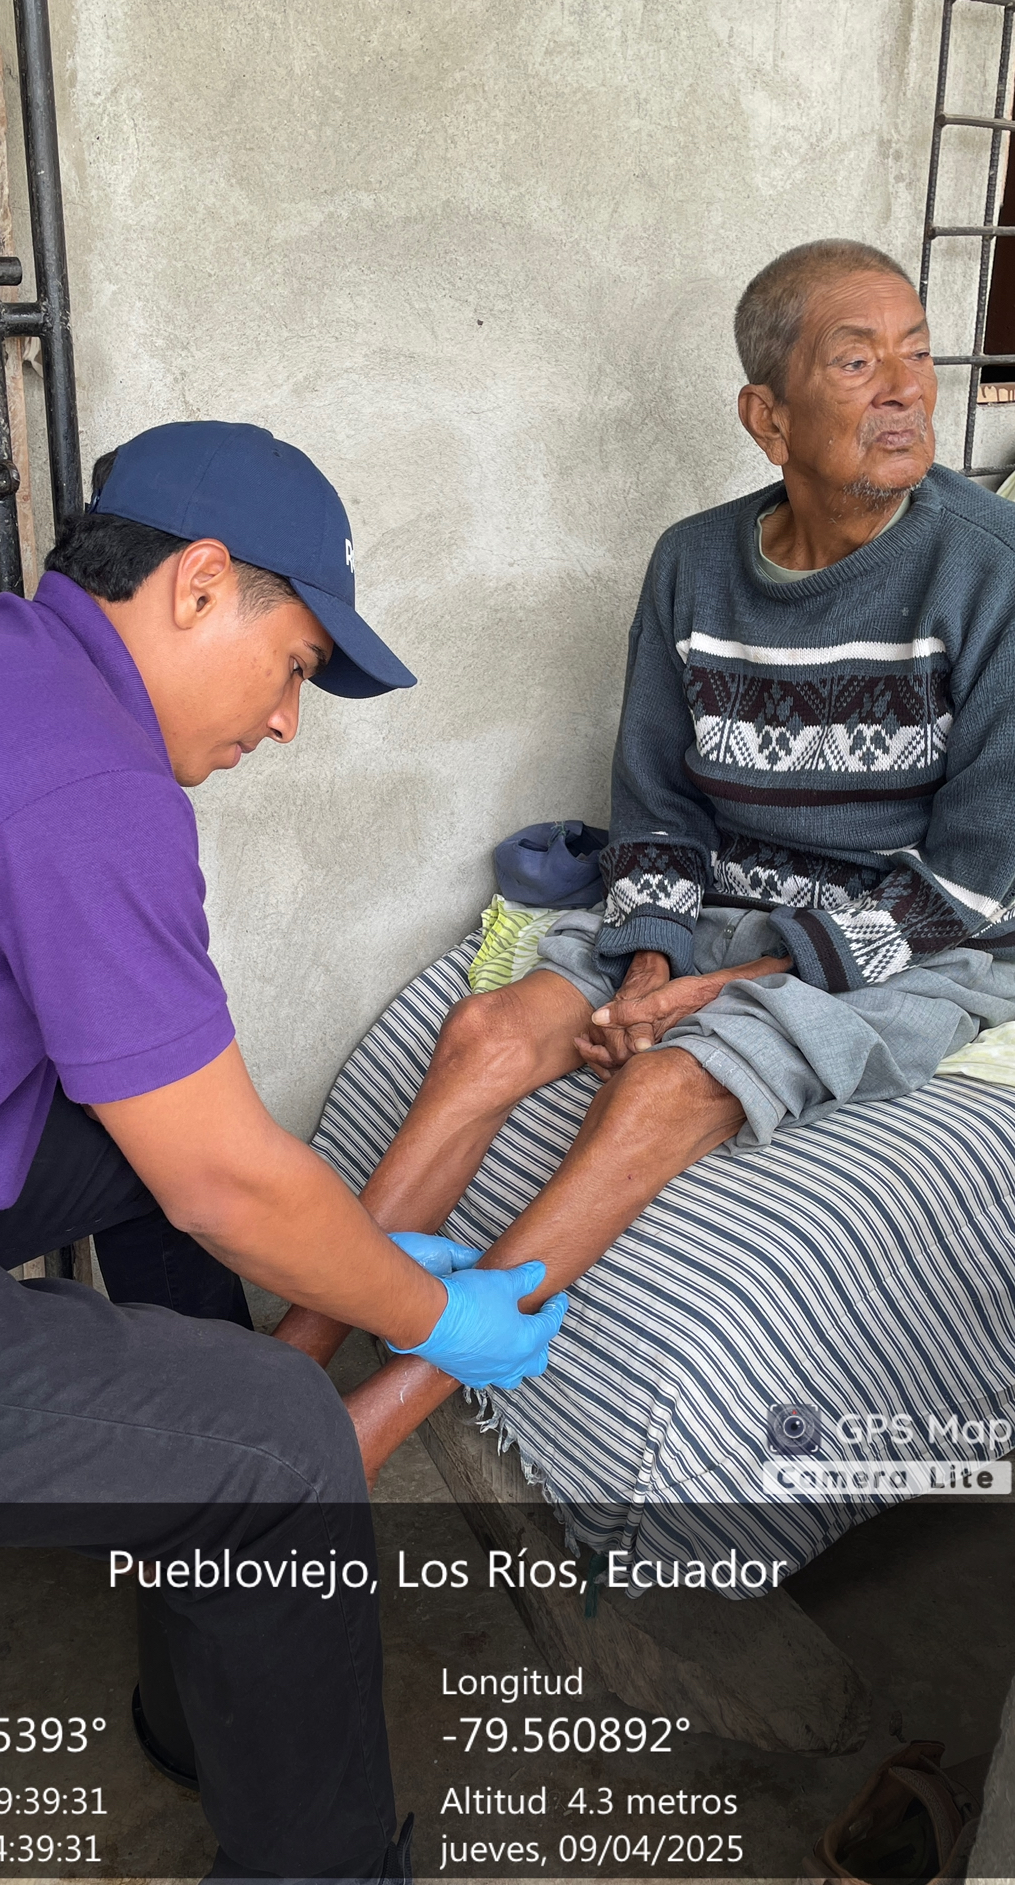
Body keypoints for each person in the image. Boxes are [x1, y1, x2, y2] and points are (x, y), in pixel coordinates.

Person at [0, 421, 567, 1882]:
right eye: (294, 666)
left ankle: (207, 1652)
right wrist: (430, 1309)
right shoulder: (85, 777)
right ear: (197, 584)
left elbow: (177, 1137)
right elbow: (226, 1177)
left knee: (131, 1160)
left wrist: (343, 1258)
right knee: (283, 1444)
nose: (287, 722)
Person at [273, 239, 1015, 1482]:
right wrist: (652, 960)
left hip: (910, 939)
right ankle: (285, 1368)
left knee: (666, 1083)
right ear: (767, 417)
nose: (905, 389)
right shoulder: (693, 562)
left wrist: (709, 995)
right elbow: (660, 804)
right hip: (722, 901)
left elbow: (974, 886)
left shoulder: (993, 570)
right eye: (856, 361)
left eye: (917, 354)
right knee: (488, 1033)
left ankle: (356, 1437)